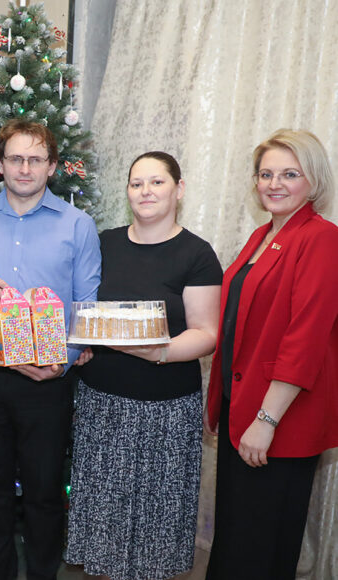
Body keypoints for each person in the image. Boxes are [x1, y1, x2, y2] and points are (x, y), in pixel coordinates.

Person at [0, 119, 101, 579]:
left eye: (35, 159)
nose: (24, 168)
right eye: (15, 158)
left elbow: (87, 306)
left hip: (48, 380)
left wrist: (62, 362)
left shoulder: (77, 225)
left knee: (44, 490)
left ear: (51, 166)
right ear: (1, 164)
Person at [65, 152, 222, 579]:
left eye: (157, 182)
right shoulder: (103, 243)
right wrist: (80, 344)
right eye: (137, 184)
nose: (145, 192)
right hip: (101, 405)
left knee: (156, 524)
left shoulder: (197, 254)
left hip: (165, 411)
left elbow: (207, 332)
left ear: (179, 189)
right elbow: (81, 307)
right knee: (105, 519)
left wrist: (159, 352)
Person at [205, 129, 338, 579]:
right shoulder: (263, 235)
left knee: (258, 547)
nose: (274, 184)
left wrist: (266, 420)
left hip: (279, 418)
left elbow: (306, 338)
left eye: (289, 174)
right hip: (242, 408)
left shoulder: (320, 238)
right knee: (238, 538)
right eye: (266, 174)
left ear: (314, 181)